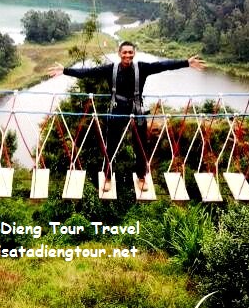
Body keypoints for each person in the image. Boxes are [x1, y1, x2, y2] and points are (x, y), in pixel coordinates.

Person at [48, 40, 205, 193]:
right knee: (112, 146)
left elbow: (162, 66)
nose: (127, 55)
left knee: (141, 145)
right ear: (119, 53)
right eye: (125, 52)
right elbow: (89, 73)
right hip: (117, 109)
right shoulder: (111, 69)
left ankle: (142, 177)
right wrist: (65, 71)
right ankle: (108, 178)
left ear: (134, 53)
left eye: (130, 52)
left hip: (136, 109)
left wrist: (186, 63)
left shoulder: (141, 68)